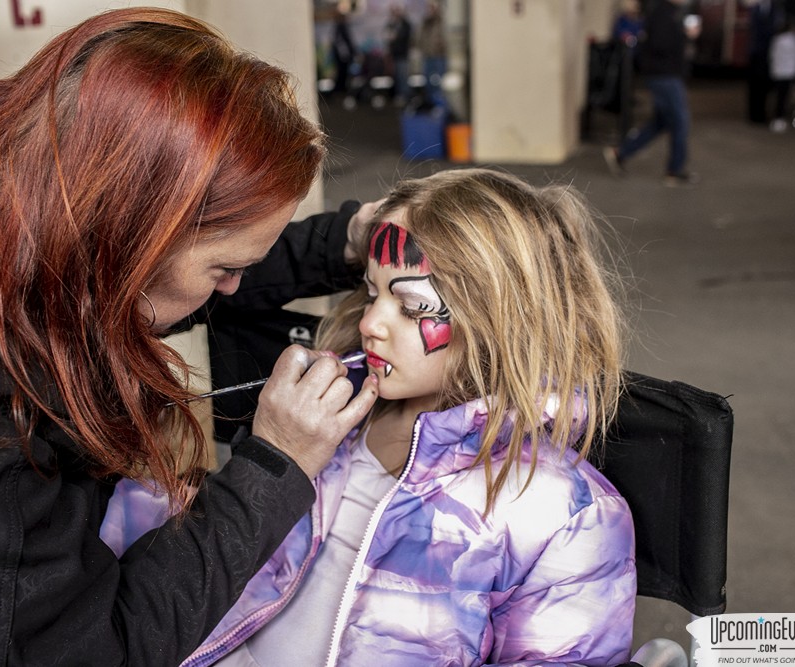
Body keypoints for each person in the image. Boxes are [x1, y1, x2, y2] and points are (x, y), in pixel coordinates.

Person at [0, 8, 379, 665]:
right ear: (128, 236)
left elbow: (163, 275)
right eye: (225, 269)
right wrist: (276, 465)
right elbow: (87, 651)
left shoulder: (4, 207)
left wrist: (340, 242)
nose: (232, 289)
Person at [150, 168, 637, 665]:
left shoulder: (568, 515)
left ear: (503, 321)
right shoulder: (330, 423)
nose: (369, 323)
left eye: (411, 306)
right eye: (371, 293)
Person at [604, 0, 702, 186]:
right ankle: (674, 171)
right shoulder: (662, 13)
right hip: (664, 75)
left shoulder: (673, 12)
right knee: (680, 120)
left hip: (666, 74)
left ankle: (620, 153)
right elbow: (659, 43)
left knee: (661, 122)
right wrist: (685, 34)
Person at [769, 18, 795, 132]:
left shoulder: (777, 39)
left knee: (780, 97)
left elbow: (772, 56)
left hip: (778, 73)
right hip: (792, 73)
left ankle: (778, 119)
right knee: (794, 97)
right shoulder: (794, 40)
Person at [418, 0, 447, 106]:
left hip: (439, 55)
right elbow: (419, 37)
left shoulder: (441, 22)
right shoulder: (425, 23)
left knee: (439, 80)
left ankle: (441, 103)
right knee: (428, 81)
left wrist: (441, 45)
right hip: (427, 55)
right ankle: (430, 102)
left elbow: (444, 38)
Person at [384, 3, 413, 105]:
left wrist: (395, 37)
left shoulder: (405, 24)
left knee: (402, 76)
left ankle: (405, 95)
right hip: (394, 55)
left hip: (402, 54)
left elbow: (404, 37)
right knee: (396, 76)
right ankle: (398, 94)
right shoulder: (392, 24)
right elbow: (387, 36)